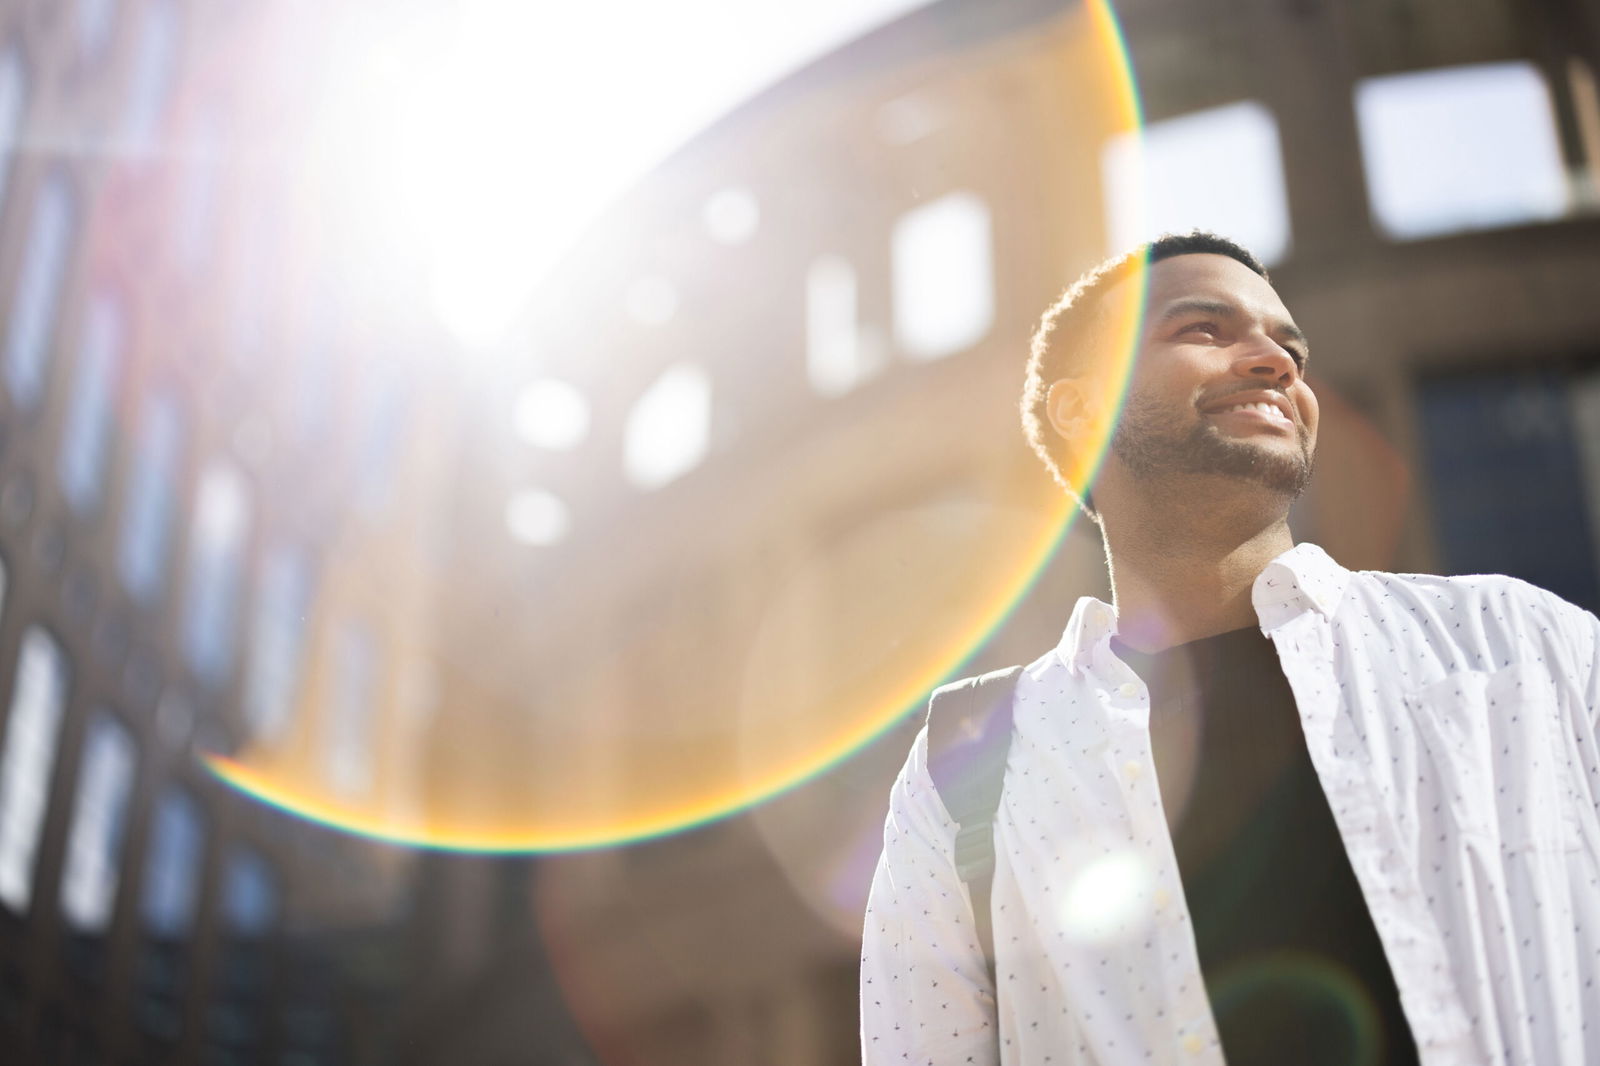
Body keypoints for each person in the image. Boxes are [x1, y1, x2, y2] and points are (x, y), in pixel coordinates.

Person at [859, 232, 1600, 1065]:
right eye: (1204, 330)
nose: (1275, 364)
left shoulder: (1525, 645)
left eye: (1290, 347)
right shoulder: (966, 766)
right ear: (1082, 411)